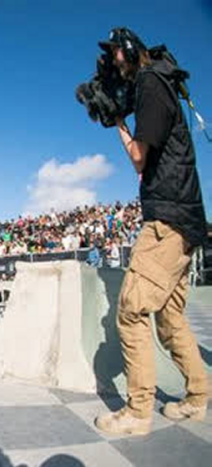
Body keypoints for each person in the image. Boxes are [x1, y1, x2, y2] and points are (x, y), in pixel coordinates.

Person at [94, 28, 208, 436]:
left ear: (128, 51)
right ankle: (197, 396)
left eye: (115, 56)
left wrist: (118, 123)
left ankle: (137, 411)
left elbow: (139, 159)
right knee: (170, 317)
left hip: (167, 218)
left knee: (130, 310)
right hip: (187, 219)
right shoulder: (161, 80)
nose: (114, 65)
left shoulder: (149, 82)